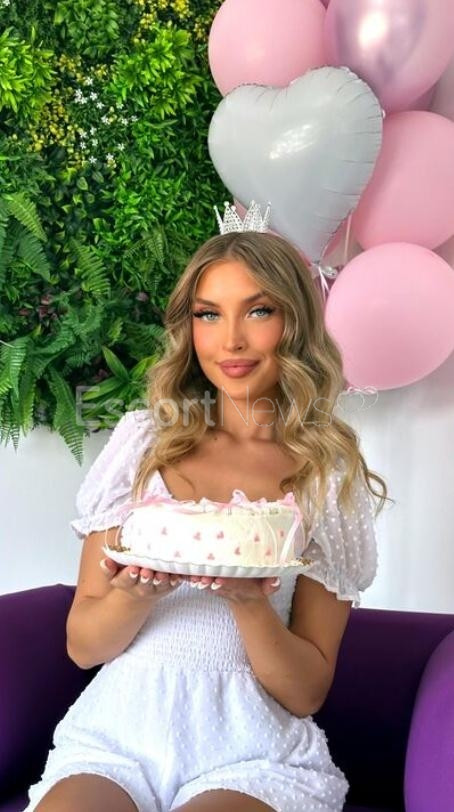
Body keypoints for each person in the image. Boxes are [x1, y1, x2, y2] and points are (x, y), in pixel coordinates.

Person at [25, 202, 391, 812]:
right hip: (120, 733)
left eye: (259, 310)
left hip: (249, 747)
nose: (231, 340)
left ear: (295, 323)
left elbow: (306, 692)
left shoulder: (325, 477)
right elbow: (83, 647)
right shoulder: (143, 444)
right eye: (208, 314)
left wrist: (249, 601)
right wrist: (133, 594)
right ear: (189, 327)